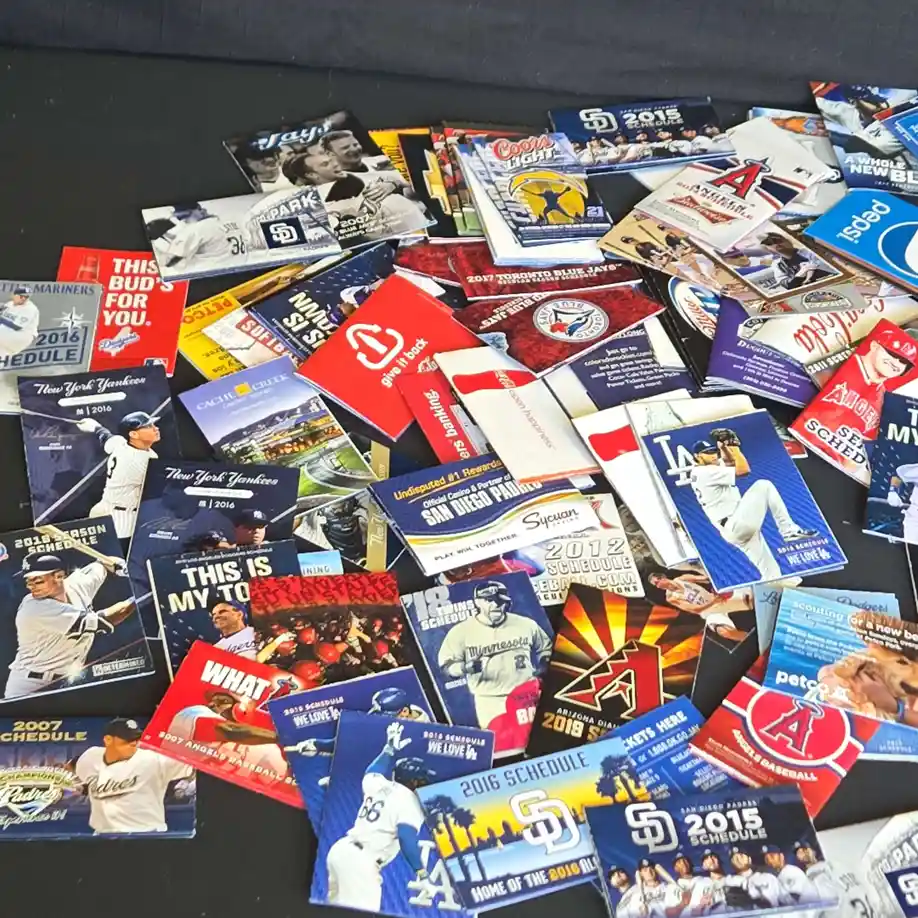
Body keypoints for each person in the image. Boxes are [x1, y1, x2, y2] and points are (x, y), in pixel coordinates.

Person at [324, 722, 436, 912]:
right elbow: (406, 838)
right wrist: (423, 874)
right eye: (423, 780)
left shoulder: (379, 785)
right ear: (414, 781)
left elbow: (372, 771)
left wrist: (388, 750)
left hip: (340, 851)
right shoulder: (411, 801)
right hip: (361, 862)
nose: (425, 783)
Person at [688, 432, 817, 581]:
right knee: (764, 485)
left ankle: (772, 589)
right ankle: (788, 530)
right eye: (707, 453)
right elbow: (743, 470)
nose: (713, 455)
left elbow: (729, 462)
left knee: (772, 575)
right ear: (697, 456)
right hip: (735, 523)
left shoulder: (703, 469)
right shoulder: (705, 472)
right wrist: (735, 448)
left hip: (735, 526)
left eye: (713, 451)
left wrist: (723, 448)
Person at [4, 552, 135, 699]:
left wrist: (125, 566)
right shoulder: (34, 608)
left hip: (67, 682)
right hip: (30, 686)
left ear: (59, 576)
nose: (30, 586)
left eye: (38, 581)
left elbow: (103, 563)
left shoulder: (78, 584)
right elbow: (106, 619)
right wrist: (142, 593)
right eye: (28, 581)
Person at [437, 580, 551, 730]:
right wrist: (465, 668)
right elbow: (446, 666)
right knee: (501, 742)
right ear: (477, 602)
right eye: (489, 600)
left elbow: (546, 648)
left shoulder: (526, 624)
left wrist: (544, 665)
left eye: (501, 601)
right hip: (490, 701)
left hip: (526, 694)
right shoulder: (461, 631)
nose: (496, 605)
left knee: (536, 735)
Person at [73, 718, 193, 834]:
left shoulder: (154, 759)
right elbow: (80, 778)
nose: (134, 743)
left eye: (136, 738)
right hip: (104, 837)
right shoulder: (90, 758)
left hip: (148, 835)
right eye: (127, 740)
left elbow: (191, 760)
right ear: (108, 740)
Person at [77, 411, 161, 538]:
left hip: (104, 508)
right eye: (149, 426)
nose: (156, 428)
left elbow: (107, 437)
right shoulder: (138, 462)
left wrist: (95, 426)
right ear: (133, 434)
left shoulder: (121, 444)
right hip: (121, 520)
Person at [647, 573, 748, 641]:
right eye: (655, 585)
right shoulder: (671, 598)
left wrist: (715, 580)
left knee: (748, 598)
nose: (658, 586)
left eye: (657, 582)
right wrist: (713, 602)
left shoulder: (682, 579)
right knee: (724, 632)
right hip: (708, 612)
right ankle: (750, 640)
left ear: (662, 577)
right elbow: (694, 609)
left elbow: (705, 579)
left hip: (717, 600)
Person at [150, 203, 232, 267]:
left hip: (207, 269)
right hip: (227, 262)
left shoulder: (193, 230)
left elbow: (167, 262)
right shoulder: (216, 221)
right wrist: (167, 235)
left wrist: (154, 247)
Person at [757, 232, 835, 291]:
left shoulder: (810, 252)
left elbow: (832, 268)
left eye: (778, 240)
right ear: (768, 249)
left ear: (788, 241)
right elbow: (787, 285)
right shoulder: (778, 265)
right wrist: (800, 274)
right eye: (769, 243)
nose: (776, 243)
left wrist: (810, 268)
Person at [0, 284, 39, 358]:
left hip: (21, 335)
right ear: (14, 295)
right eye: (21, 296)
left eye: (26, 297)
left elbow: (17, 326)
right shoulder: (9, 304)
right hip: (8, 335)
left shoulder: (29, 308)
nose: (24, 298)